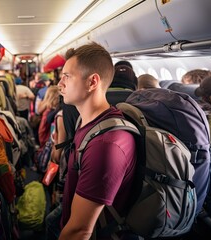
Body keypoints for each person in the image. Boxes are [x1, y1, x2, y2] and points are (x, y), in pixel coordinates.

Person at [55, 42, 136, 239]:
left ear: (92, 82)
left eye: (67, 76)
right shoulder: (86, 122)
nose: (60, 84)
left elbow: (80, 230)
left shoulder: (107, 144)